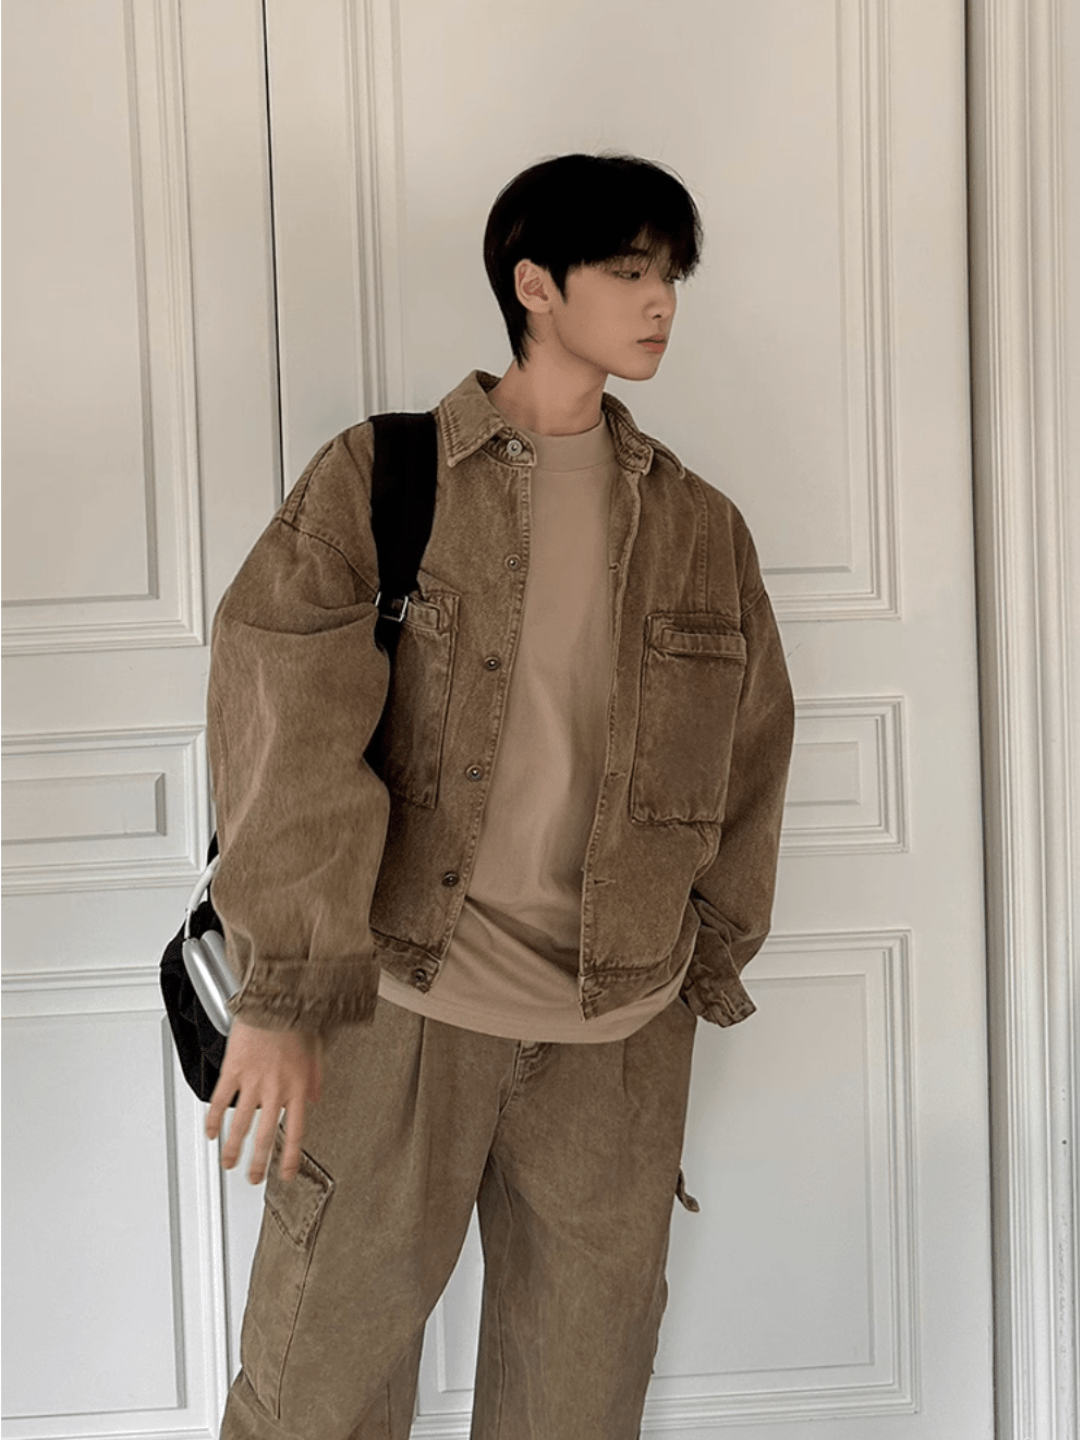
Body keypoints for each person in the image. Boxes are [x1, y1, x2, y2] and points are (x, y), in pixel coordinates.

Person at [207, 151, 795, 1440]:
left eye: (672, 274)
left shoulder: (702, 528)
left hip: (616, 1031)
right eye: (629, 270)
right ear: (535, 286)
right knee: (317, 1397)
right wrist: (286, 992)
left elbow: (749, 758)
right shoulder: (383, 479)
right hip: (400, 1010)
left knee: (577, 1409)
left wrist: (701, 962)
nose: (662, 301)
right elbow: (285, 733)